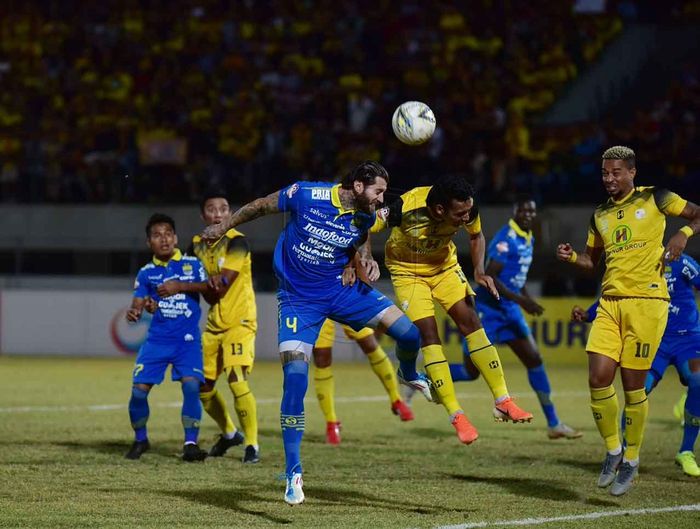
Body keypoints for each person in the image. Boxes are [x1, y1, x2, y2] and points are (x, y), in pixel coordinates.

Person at [202, 161, 432, 506]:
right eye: (378, 191)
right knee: (295, 378)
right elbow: (262, 204)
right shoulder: (306, 195)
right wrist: (224, 226)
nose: (382, 198)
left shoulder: (365, 214)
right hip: (298, 301)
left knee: (410, 334)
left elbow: (361, 238)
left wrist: (363, 261)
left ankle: (410, 372)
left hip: (342, 291)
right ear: (357, 186)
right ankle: (293, 473)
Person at [556, 145, 700, 495]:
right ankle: (613, 451)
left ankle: (632, 460)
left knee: (633, 386)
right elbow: (593, 263)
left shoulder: (657, 197)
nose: (609, 179)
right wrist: (574, 256)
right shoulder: (600, 214)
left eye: (616, 172)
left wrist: (683, 235)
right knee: (598, 377)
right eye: (605, 173)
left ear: (632, 172)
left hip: (648, 303)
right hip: (609, 303)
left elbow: (697, 214)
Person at [369, 175, 533, 446]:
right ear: (439, 210)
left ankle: (503, 400)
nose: (465, 217)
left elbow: (477, 235)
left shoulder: (467, 209)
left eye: (468, 211)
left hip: (444, 268)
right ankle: (456, 415)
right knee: (430, 336)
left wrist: (479, 270)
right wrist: (363, 256)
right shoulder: (405, 206)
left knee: (471, 322)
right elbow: (366, 224)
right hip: (408, 273)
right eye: (460, 214)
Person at [452, 197, 581, 440]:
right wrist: (524, 301)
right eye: (524, 210)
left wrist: (525, 299)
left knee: (534, 359)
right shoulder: (505, 238)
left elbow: (516, 279)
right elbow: (491, 276)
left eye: (532, 211)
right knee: (470, 373)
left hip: (510, 311)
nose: (528, 215)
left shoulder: (528, 237)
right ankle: (429, 377)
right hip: (488, 311)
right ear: (514, 212)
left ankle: (554, 423)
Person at [572, 252, 700, 477]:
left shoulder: (681, 261)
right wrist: (589, 314)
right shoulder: (634, 261)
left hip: (687, 339)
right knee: (638, 391)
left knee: (698, 381)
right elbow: (617, 294)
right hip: (652, 338)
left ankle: (686, 451)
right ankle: (624, 453)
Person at [125, 213, 210, 462]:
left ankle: (191, 444)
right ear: (148, 242)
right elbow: (138, 303)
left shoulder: (192, 264)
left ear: (175, 238)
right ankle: (141, 439)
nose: (163, 239)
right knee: (139, 392)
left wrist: (180, 287)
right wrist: (135, 311)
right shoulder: (146, 272)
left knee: (192, 386)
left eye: (167, 234)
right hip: (157, 341)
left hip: (187, 341)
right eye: (156, 235)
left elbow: (208, 287)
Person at [190, 189, 260, 463]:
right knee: (203, 386)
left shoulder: (237, 242)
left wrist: (180, 287)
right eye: (212, 208)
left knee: (235, 377)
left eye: (224, 208)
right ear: (203, 214)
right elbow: (198, 284)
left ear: (230, 213)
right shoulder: (195, 244)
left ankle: (252, 445)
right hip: (214, 325)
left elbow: (220, 287)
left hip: (240, 321)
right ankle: (230, 434)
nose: (218, 214)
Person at [313, 319, 413, 445]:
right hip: (317, 302)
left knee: (368, 342)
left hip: (342, 299)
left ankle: (396, 400)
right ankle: (331, 423)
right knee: (322, 357)